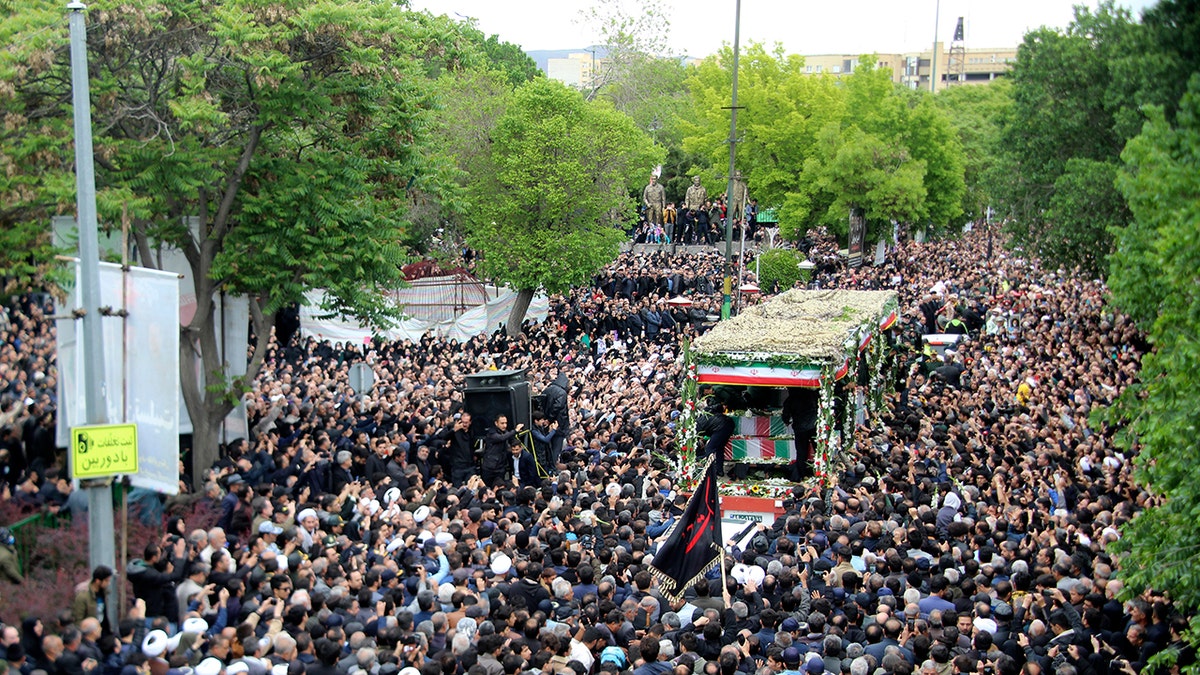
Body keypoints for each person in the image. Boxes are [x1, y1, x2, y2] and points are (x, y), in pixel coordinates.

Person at [481, 415, 521, 486]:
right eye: (502, 423)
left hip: (501, 466)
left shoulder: (506, 432)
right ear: (496, 423)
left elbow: (512, 440)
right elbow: (501, 438)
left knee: (500, 487)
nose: (505, 425)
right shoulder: (491, 433)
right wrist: (515, 431)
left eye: (506, 423)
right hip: (490, 467)